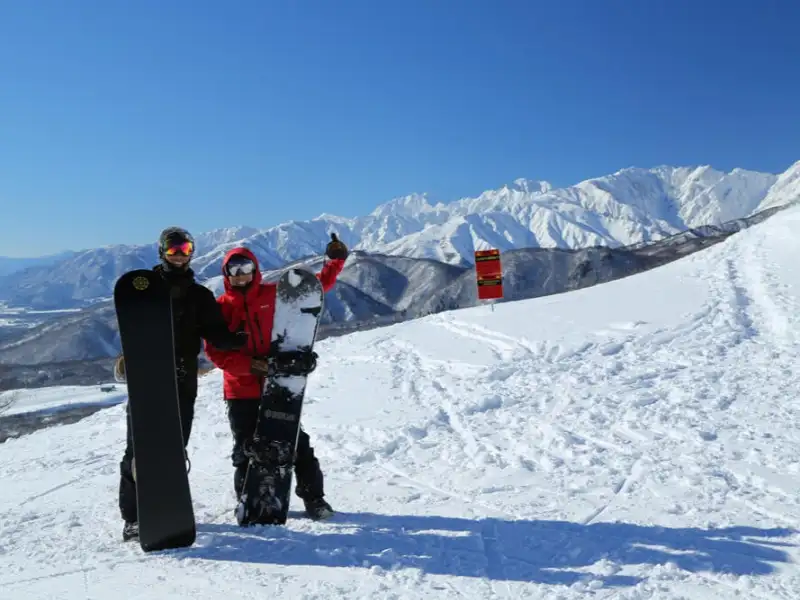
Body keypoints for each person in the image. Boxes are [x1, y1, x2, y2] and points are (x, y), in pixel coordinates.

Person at [115, 226, 248, 542]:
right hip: (149, 379)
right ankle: (134, 516)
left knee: (173, 448)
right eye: (173, 249)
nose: (179, 255)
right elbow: (133, 327)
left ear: (192, 252)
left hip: (183, 378)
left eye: (184, 249)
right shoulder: (144, 289)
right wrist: (128, 357)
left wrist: (235, 340)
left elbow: (214, 331)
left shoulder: (199, 295)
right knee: (139, 448)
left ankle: (167, 505)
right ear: (161, 252)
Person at [204, 232, 349, 521]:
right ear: (226, 275)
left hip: (280, 386)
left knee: (295, 443)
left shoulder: (274, 295)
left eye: (246, 269)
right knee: (246, 450)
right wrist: (251, 366)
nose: (241, 275)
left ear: (255, 271)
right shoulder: (221, 309)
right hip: (241, 390)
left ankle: (315, 499)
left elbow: (315, 289)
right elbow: (216, 353)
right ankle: (248, 501)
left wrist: (335, 261)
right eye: (234, 270)